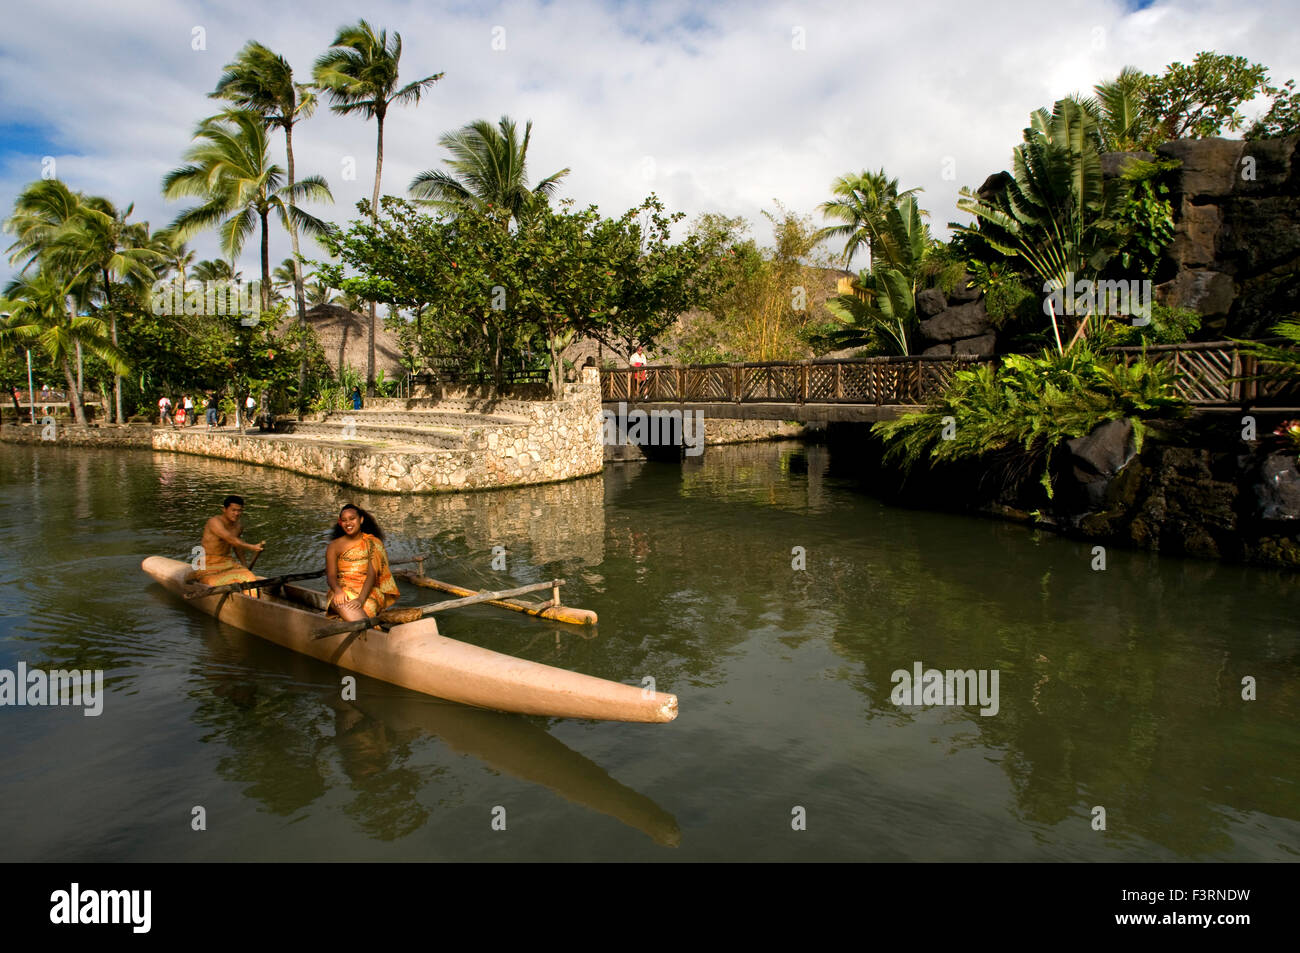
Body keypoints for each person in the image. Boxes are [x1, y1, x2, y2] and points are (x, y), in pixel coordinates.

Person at [326, 504, 399, 622]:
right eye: (344, 520)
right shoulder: (334, 546)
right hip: (343, 588)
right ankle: (372, 631)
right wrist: (338, 591)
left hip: (369, 590)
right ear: (340, 523)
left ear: (361, 519)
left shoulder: (372, 542)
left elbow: (372, 575)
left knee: (366, 607)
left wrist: (360, 599)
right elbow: (331, 576)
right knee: (341, 603)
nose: (348, 523)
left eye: (352, 519)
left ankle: (370, 632)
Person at [195, 495, 266, 595]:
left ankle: (251, 602)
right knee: (216, 583)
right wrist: (252, 547)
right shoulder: (214, 522)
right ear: (224, 509)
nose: (237, 513)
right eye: (233, 510)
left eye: (239, 510)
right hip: (207, 563)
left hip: (226, 562)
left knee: (250, 579)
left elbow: (237, 546)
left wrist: (244, 565)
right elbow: (230, 538)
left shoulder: (239, 526)